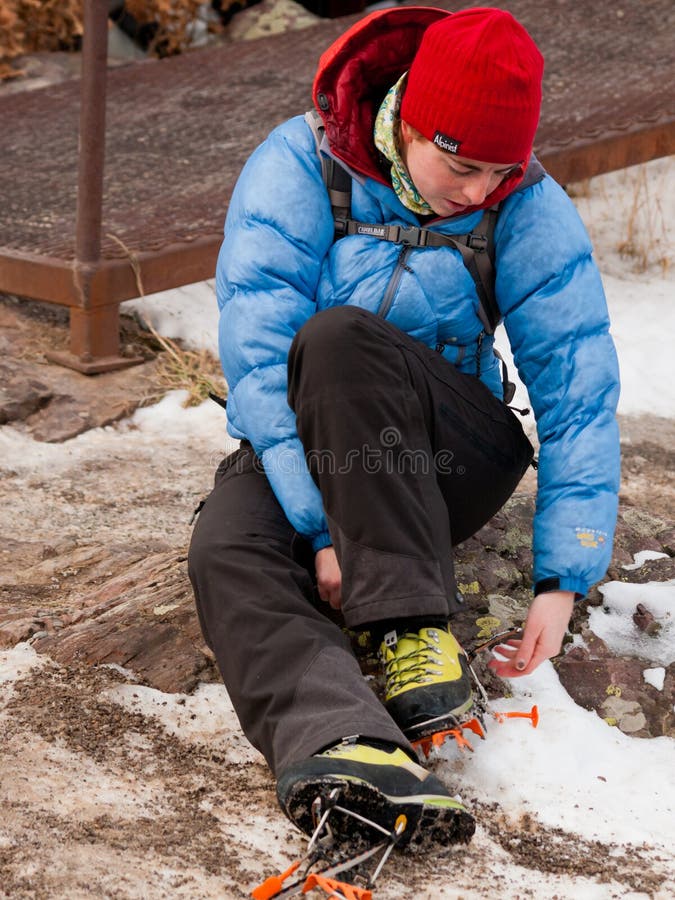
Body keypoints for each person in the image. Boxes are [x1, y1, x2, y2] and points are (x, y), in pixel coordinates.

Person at [188, 5, 620, 848]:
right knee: (225, 548)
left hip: (450, 452)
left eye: (500, 170)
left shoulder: (526, 205)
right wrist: (319, 528)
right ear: (406, 119)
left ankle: (413, 629)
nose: (478, 191)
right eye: (460, 164)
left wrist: (562, 575)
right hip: (325, 441)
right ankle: (347, 746)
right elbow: (258, 350)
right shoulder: (301, 165)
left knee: (341, 337)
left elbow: (578, 384)